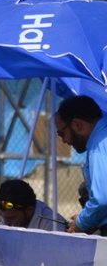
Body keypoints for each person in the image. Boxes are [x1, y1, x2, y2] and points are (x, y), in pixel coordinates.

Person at [55, 95, 107, 235]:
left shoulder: (98, 145)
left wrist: (80, 223)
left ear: (77, 124)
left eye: (61, 133)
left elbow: (102, 199)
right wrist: (93, 219)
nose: (64, 141)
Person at [0, 179, 66, 231]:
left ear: (30, 210)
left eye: (11, 218)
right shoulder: (9, 221)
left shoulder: (53, 227)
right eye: (2, 217)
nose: (6, 223)